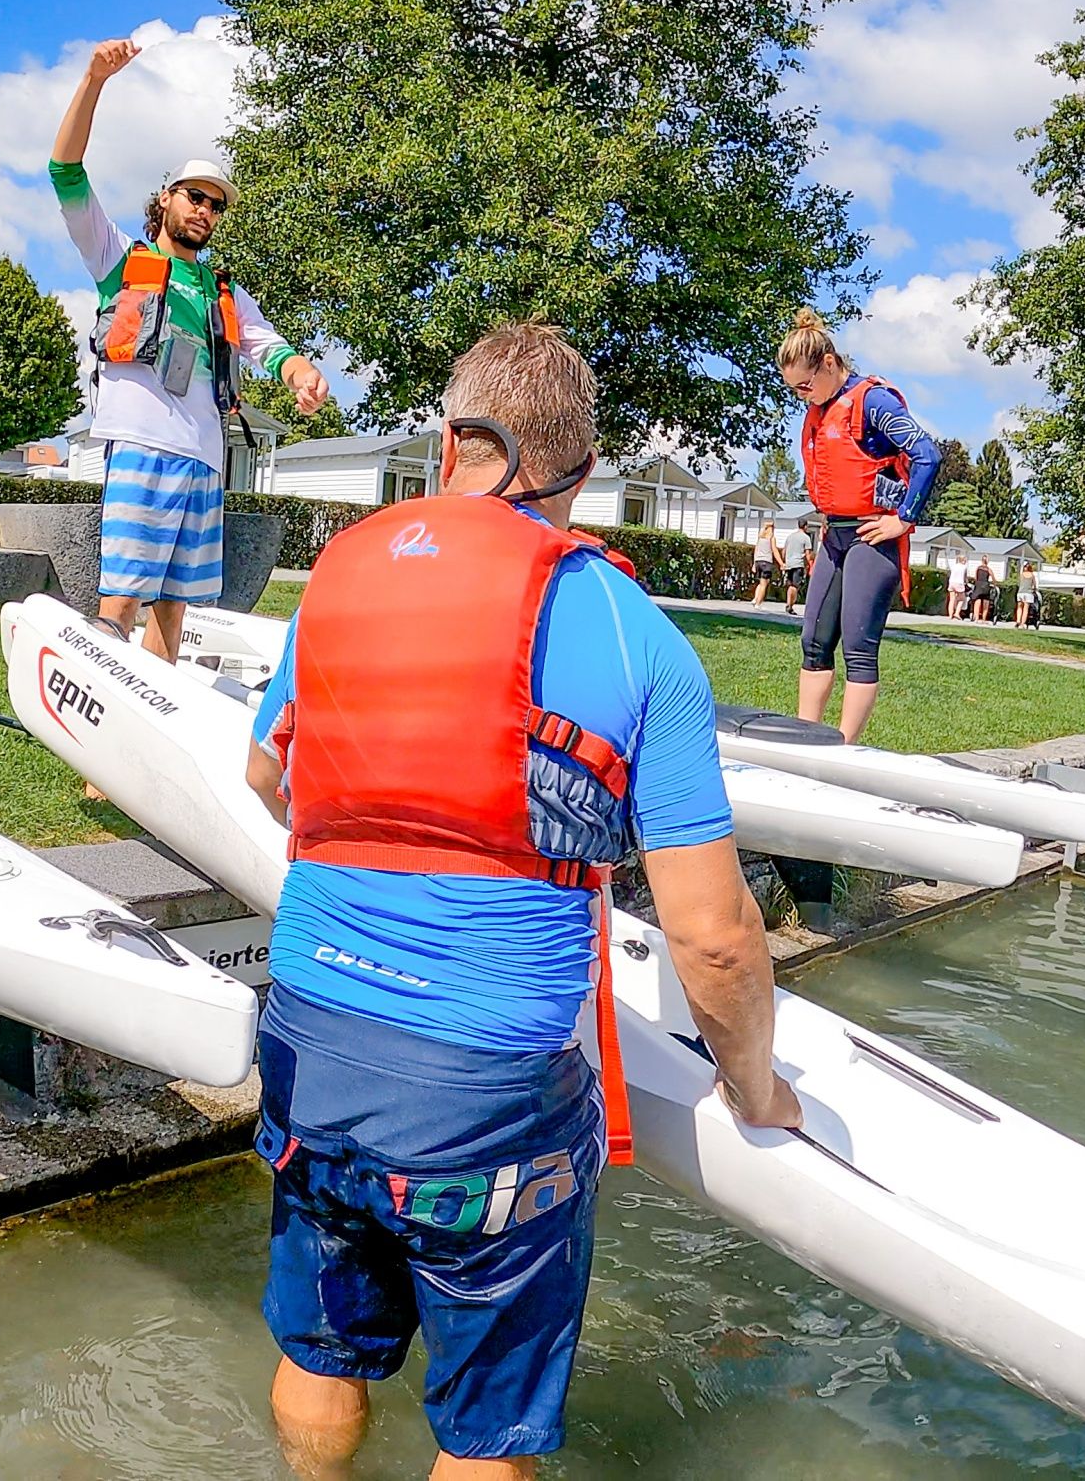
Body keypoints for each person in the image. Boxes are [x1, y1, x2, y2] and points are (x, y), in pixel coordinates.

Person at [243, 323, 800, 1480]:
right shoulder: (631, 631)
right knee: (484, 1436)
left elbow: (267, 776)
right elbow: (711, 937)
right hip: (485, 1094)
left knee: (324, 1352)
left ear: (446, 441)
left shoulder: (340, 578)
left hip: (306, 1036)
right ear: (583, 476)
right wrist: (754, 1085)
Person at [51, 39, 330, 666]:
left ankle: (146, 750)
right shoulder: (119, 258)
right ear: (167, 199)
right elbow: (64, 173)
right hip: (143, 450)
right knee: (120, 603)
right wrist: (95, 80)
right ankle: (95, 765)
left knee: (174, 610)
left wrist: (302, 372)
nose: (205, 210)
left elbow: (269, 346)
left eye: (216, 204)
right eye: (194, 196)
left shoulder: (223, 291)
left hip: (205, 461)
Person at [778, 309, 941, 743]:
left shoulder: (872, 402)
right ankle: (806, 738)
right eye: (794, 390)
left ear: (828, 363)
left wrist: (903, 520)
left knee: (858, 649)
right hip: (835, 536)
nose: (802, 397)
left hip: (872, 538)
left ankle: (844, 748)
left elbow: (927, 454)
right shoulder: (821, 407)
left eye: (806, 386)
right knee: (814, 643)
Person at [781, 517, 813, 614]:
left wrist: (784, 561)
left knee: (790, 585)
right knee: (795, 586)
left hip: (789, 563)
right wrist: (810, 564)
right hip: (798, 564)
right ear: (806, 526)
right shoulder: (806, 538)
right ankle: (790, 605)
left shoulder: (790, 537)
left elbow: (783, 551)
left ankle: (788, 603)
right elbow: (808, 554)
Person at [750, 519, 778, 605]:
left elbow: (756, 549)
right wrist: (781, 562)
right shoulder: (771, 538)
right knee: (764, 584)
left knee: (761, 582)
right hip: (767, 562)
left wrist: (754, 563)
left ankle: (755, 598)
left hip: (758, 561)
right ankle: (758, 603)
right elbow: (775, 550)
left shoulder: (760, 537)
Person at [1015, 564, 1040, 629]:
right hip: (1028, 593)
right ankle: (1022, 623)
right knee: (1025, 609)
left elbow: (1019, 583)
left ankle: (1018, 620)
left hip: (1020, 592)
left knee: (1019, 607)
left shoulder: (1022, 575)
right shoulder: (1032, 575)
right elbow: (1034, 585)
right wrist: (1034, 589)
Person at [947, 550, 969, 622]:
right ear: (963, 560)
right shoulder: (964, 567)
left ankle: (950, 615)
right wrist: (967, 582)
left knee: (952, 599)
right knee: (962, 599)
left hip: (952, 582)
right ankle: (957, 613)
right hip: (959, 583)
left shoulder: (954, 566)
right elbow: (965, 578)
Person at [972, 556, 996, 623]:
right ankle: (983, 619)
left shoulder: (978, 568)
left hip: (978, 585)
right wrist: (994, 585)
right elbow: (993, 579)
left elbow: (975, 577)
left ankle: (976, 618)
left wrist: (977, 582)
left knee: (977, 601)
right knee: (986, 602)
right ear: (987, 561)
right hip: (985, 585)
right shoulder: (988, 569)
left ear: (981, 560)